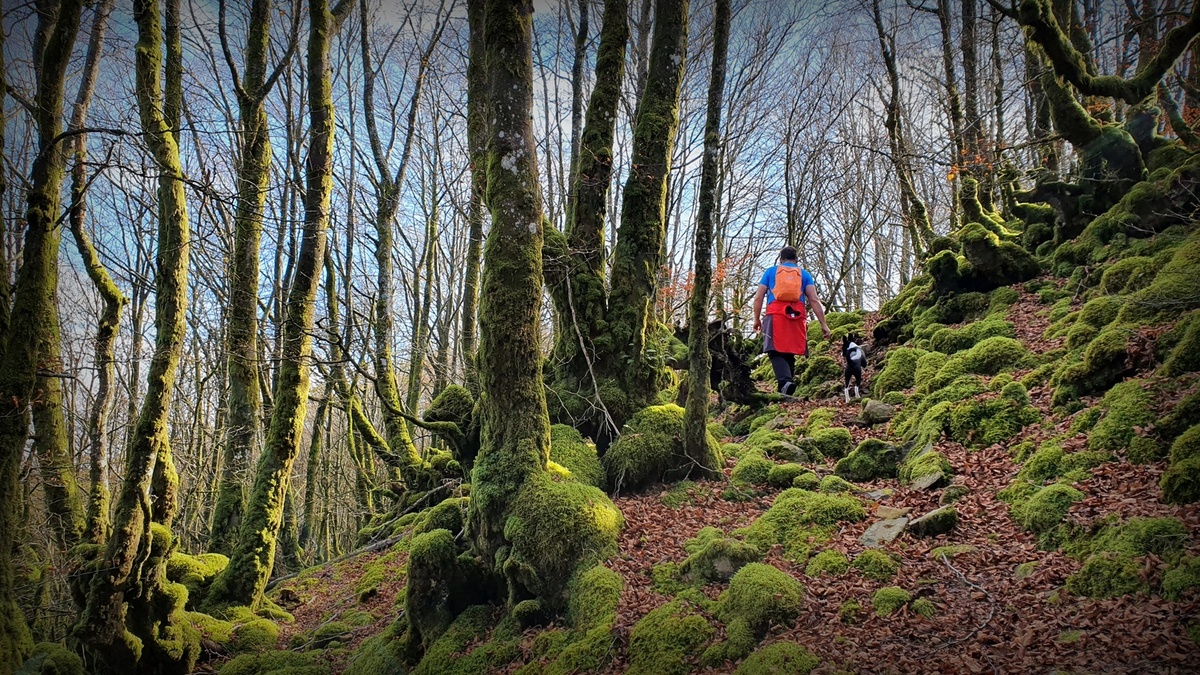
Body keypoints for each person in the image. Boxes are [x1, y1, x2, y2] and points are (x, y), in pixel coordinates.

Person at [752, 245, 831, 395]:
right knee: (789, 351)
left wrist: (756, 319)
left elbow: (758, 297)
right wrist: (823, 324)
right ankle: (786, 389)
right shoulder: (804, 274)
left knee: (774, 350)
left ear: (780, 259)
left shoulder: (771, 272)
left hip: (775, 314)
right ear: (796, 260)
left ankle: (785, 382)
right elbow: (814, 300)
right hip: (797, 315)